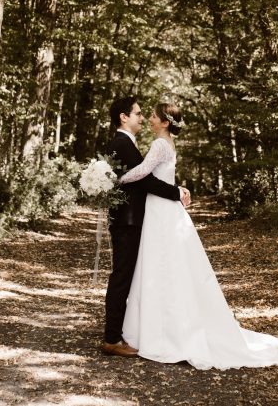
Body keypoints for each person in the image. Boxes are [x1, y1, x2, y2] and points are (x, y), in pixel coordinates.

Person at [117, 103, 278, 370]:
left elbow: (142, 173)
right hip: (161, 208)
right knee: (164, 266)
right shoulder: (166, 143)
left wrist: (116, 180)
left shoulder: (159, 145)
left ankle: (165, 331)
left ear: (165, 122)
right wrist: (177, 189)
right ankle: (164, 326)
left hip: (161, 211)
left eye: (153, 115)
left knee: (161, 265)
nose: (150, 119)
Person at [101, 96, 191, 358]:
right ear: (123, 117)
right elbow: (145, 181)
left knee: (132, 275)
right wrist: (176, 191)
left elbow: (144, 178)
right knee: (122, 277)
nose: (143, 118)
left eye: (145, 114)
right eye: (138, 113)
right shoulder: (122, 143)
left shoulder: (131, 143)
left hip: (137, 219)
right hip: (128, 221)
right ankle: (111, 338)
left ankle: (126, 331)